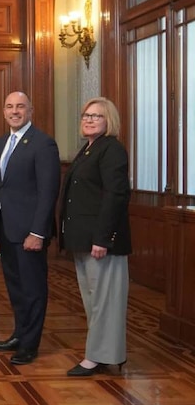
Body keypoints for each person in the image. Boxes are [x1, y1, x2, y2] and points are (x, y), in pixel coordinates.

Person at [60, 97, 131, 376]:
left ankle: (98, 356)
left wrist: (103, 238)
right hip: (83, 239)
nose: (89, 120)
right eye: (86, 115)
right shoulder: (88, 149)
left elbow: (116, 196)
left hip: (101, 242)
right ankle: (104, 353)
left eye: (97, 116)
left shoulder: (112, 149)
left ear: (109, 121)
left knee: (105, 300)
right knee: (94, 299)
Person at [0, 91, 60, 365]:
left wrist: (38, 232)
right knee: (15, 287)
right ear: (4, 111)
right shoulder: (1, 143)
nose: (14, 111)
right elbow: (2, 188)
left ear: (30, 110)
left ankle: (30, 345)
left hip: (30, 232)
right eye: (9, 106)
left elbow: (47, 192)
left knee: (33, 289)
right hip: (7, 229)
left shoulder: (43, 144)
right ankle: (20, 333)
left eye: (20, 106)